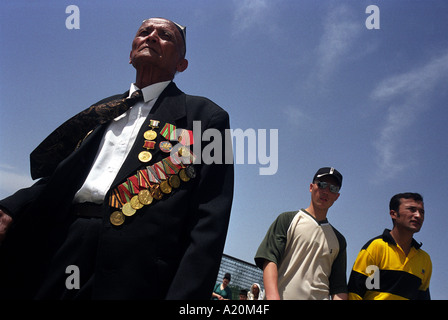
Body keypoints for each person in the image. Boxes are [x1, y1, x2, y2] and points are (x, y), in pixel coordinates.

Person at [0, 17, 234, 300]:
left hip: (136, 273)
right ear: (131, 52)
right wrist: (13, 206)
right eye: (144, 32)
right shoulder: (101, 110)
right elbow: (65, 176)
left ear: (181, 64)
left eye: (165, 36)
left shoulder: (208, 118)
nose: (151, 37)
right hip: (62, 245)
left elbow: (210, 220)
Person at [254, 167, 348, 300]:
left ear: (337, 196)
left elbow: (339, 287)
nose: (326, 191)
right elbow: (270, 259)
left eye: (333, 188)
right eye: (322, 185)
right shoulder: (287, 220)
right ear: (311, 187)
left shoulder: (339, 240)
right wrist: (273, 296)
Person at [348, 193, 432, 300]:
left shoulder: (424, 259)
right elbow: (355, 292)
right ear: (393, 214)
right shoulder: (376, 247)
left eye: (422, 212)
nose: (418, 215)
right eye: (412, 209)